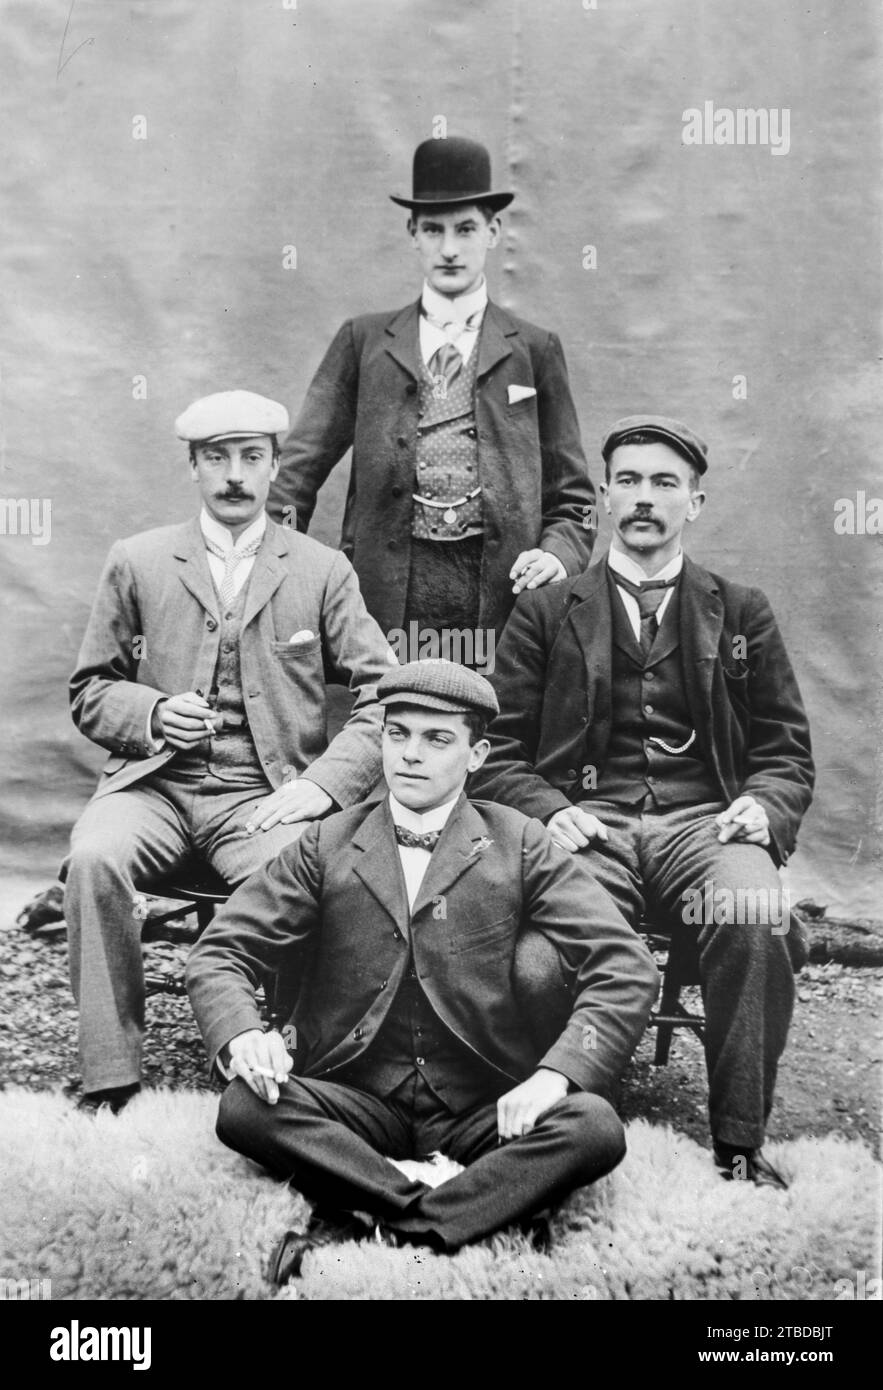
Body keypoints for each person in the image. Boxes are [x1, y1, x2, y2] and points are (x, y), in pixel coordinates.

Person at [186, 660, 658, 1271]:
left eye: (438, 739)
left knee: (592, 1124)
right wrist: (245, 1034)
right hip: (355, 1100)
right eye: (397, 733)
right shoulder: (326, 842)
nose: (410, 755)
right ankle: (452, 1212)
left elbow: (625, 964)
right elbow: (222, 950)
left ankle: (371, 1213)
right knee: (243, 1107)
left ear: (477, 755)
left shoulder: (518, 840)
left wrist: (554, 1077)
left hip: (477, 1105)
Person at [471, 415, 815, 1188]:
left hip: (705, 826)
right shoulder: (548, 611)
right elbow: (494, 752)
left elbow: (785, 751)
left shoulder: (741, 610)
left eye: (664, 483)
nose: (643, 498)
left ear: (693, 502)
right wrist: (548, 807)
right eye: (627, 480)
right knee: (536, 962)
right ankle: (577, 1133)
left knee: (755, 915)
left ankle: (737, 1142)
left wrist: (762, 807)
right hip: (590, 831)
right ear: (600, 497)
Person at [64, 390, 394, 1112]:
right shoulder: (140, 560)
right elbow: (90, 688)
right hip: (153, 787)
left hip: (262, 795)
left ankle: (277, 1060)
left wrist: (326, 786)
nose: (234, 475)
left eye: (250, 457)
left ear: (276, 466)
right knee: (94, 858)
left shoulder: (320, 569)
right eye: (216, 459)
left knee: (306, 874)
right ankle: (110, 1075)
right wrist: (150, 712)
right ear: (193, 468)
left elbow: (386, 697)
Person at [267, 136, 595, 655]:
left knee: (485, 724)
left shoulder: (535, 350)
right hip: (387, 591)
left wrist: (558, 555)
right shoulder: (365, 342)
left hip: (499, 592)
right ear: (412, 234)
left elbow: (575, 500)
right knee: (392, 720)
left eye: (465, 229)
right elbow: (295, 476)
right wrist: (280, 572)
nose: (449, 248)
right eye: (434, 230)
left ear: (493, 232)